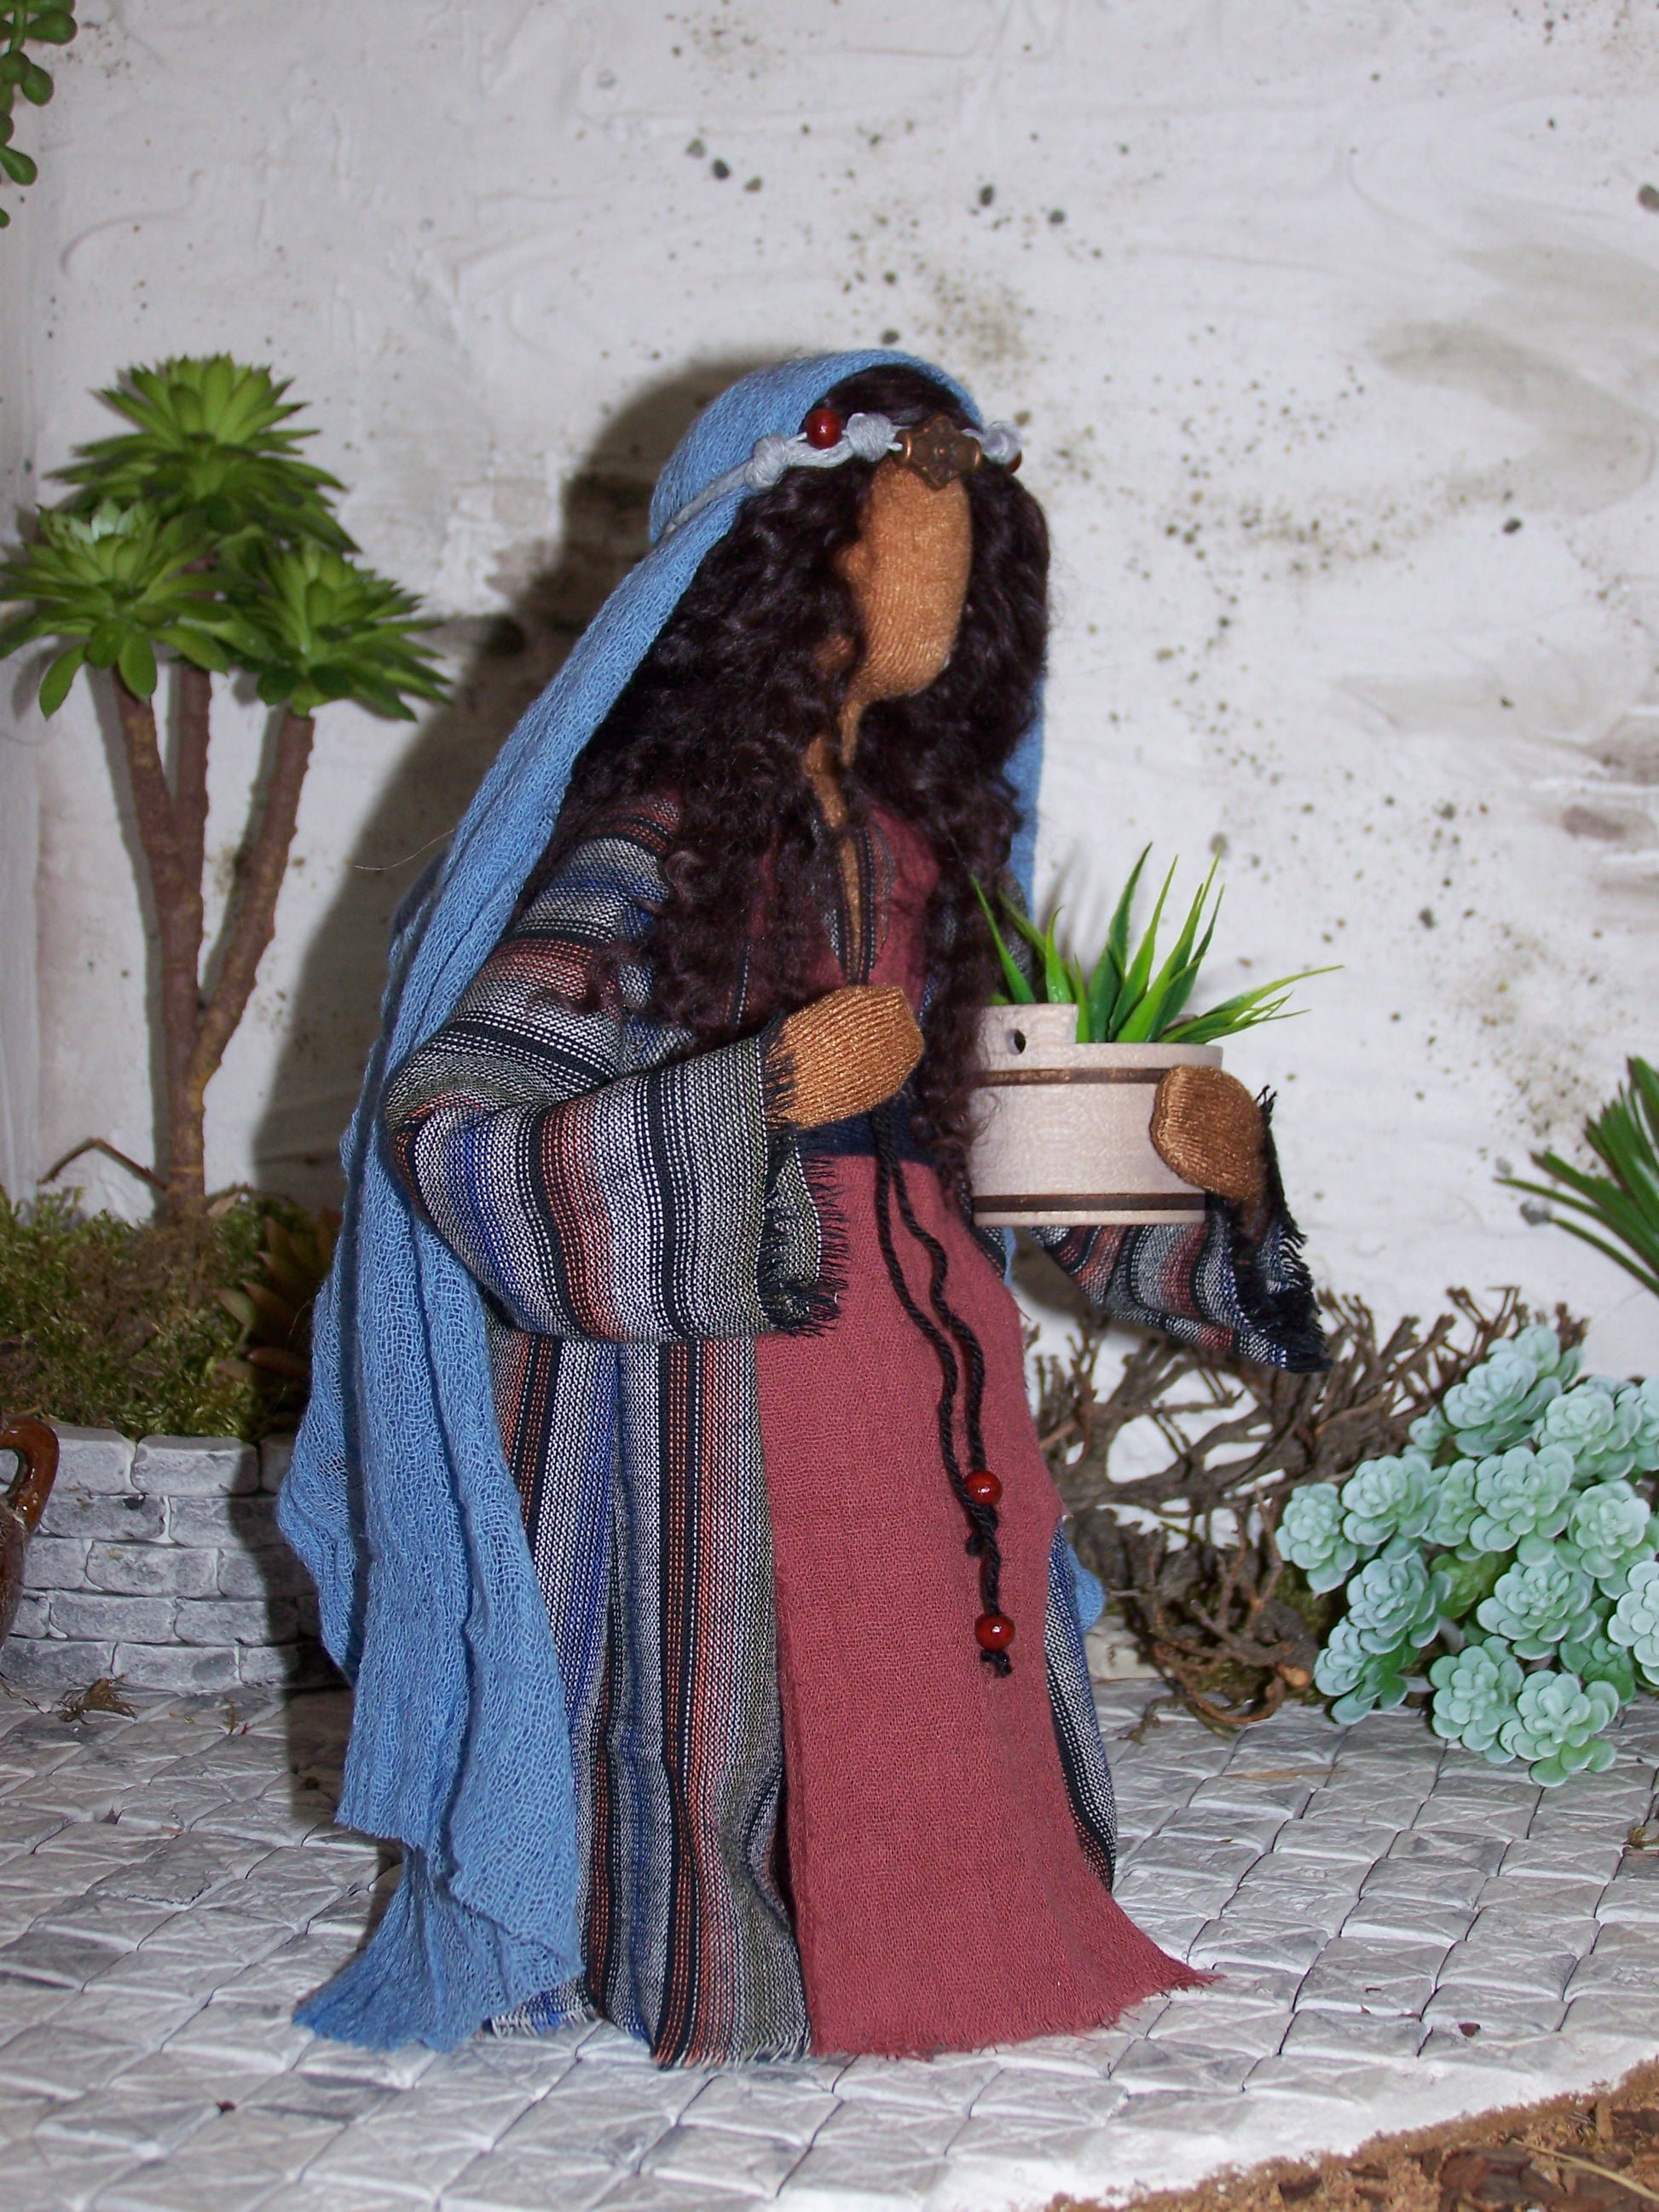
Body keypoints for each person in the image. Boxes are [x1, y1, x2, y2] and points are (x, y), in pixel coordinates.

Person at [280, 353, 1324, 2064]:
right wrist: (755, 1093)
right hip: (710, 1375)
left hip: (927, 1356)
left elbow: (1000, 1131)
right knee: (744, 1662)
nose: (939, 592)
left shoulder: (922, 848)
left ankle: (963, 1912)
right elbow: (456, 1121)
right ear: (779, 561)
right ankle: (725, 1945)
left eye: (964, 557)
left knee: (931, 1642)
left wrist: (1190, 1164)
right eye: (902, 543)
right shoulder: (656, 840)